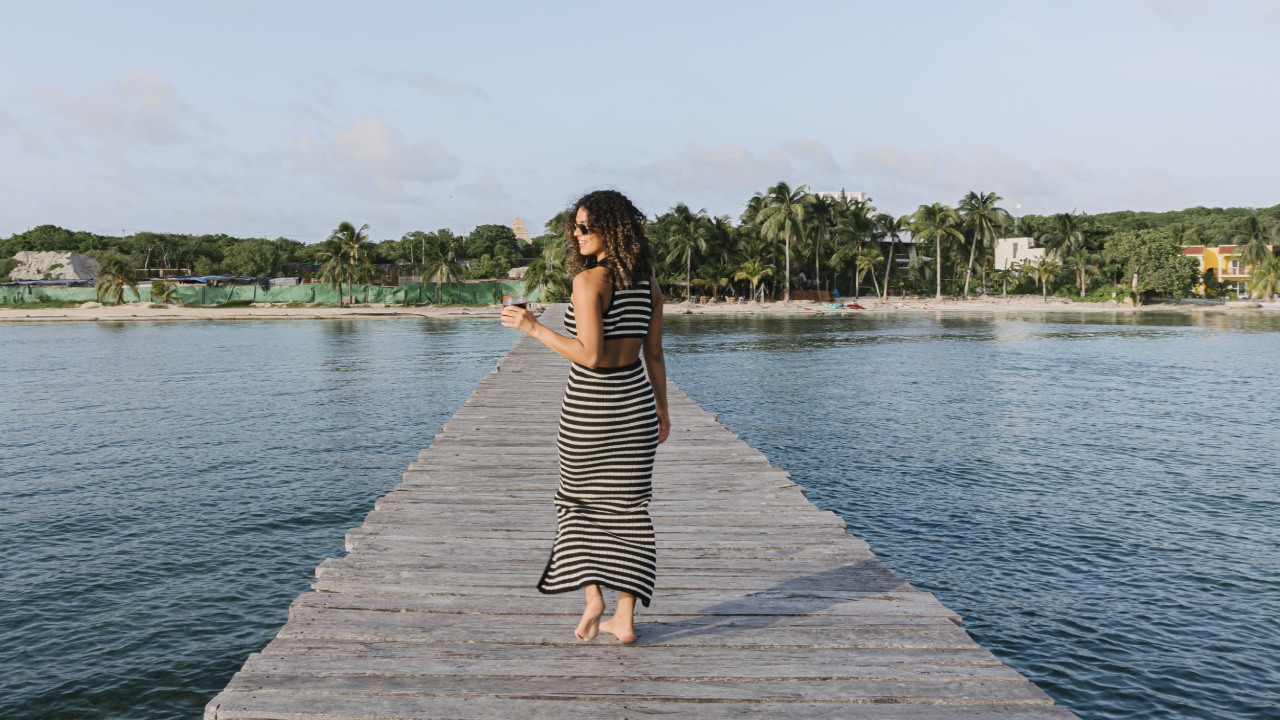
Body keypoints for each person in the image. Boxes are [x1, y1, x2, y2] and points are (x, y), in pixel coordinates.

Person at [500, 189, 670, 644]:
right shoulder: (648, 285)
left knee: (575, 504)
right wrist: (662, 410)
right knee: (630, 510)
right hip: (635, 405)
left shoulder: (589, 282)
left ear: (611, 229)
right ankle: (625, 618)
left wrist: (531, 327)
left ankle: (593, 597)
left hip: (589, 410)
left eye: (584, 227)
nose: (575, 235)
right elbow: (653, 353)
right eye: (573, 227)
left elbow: (590, 356)